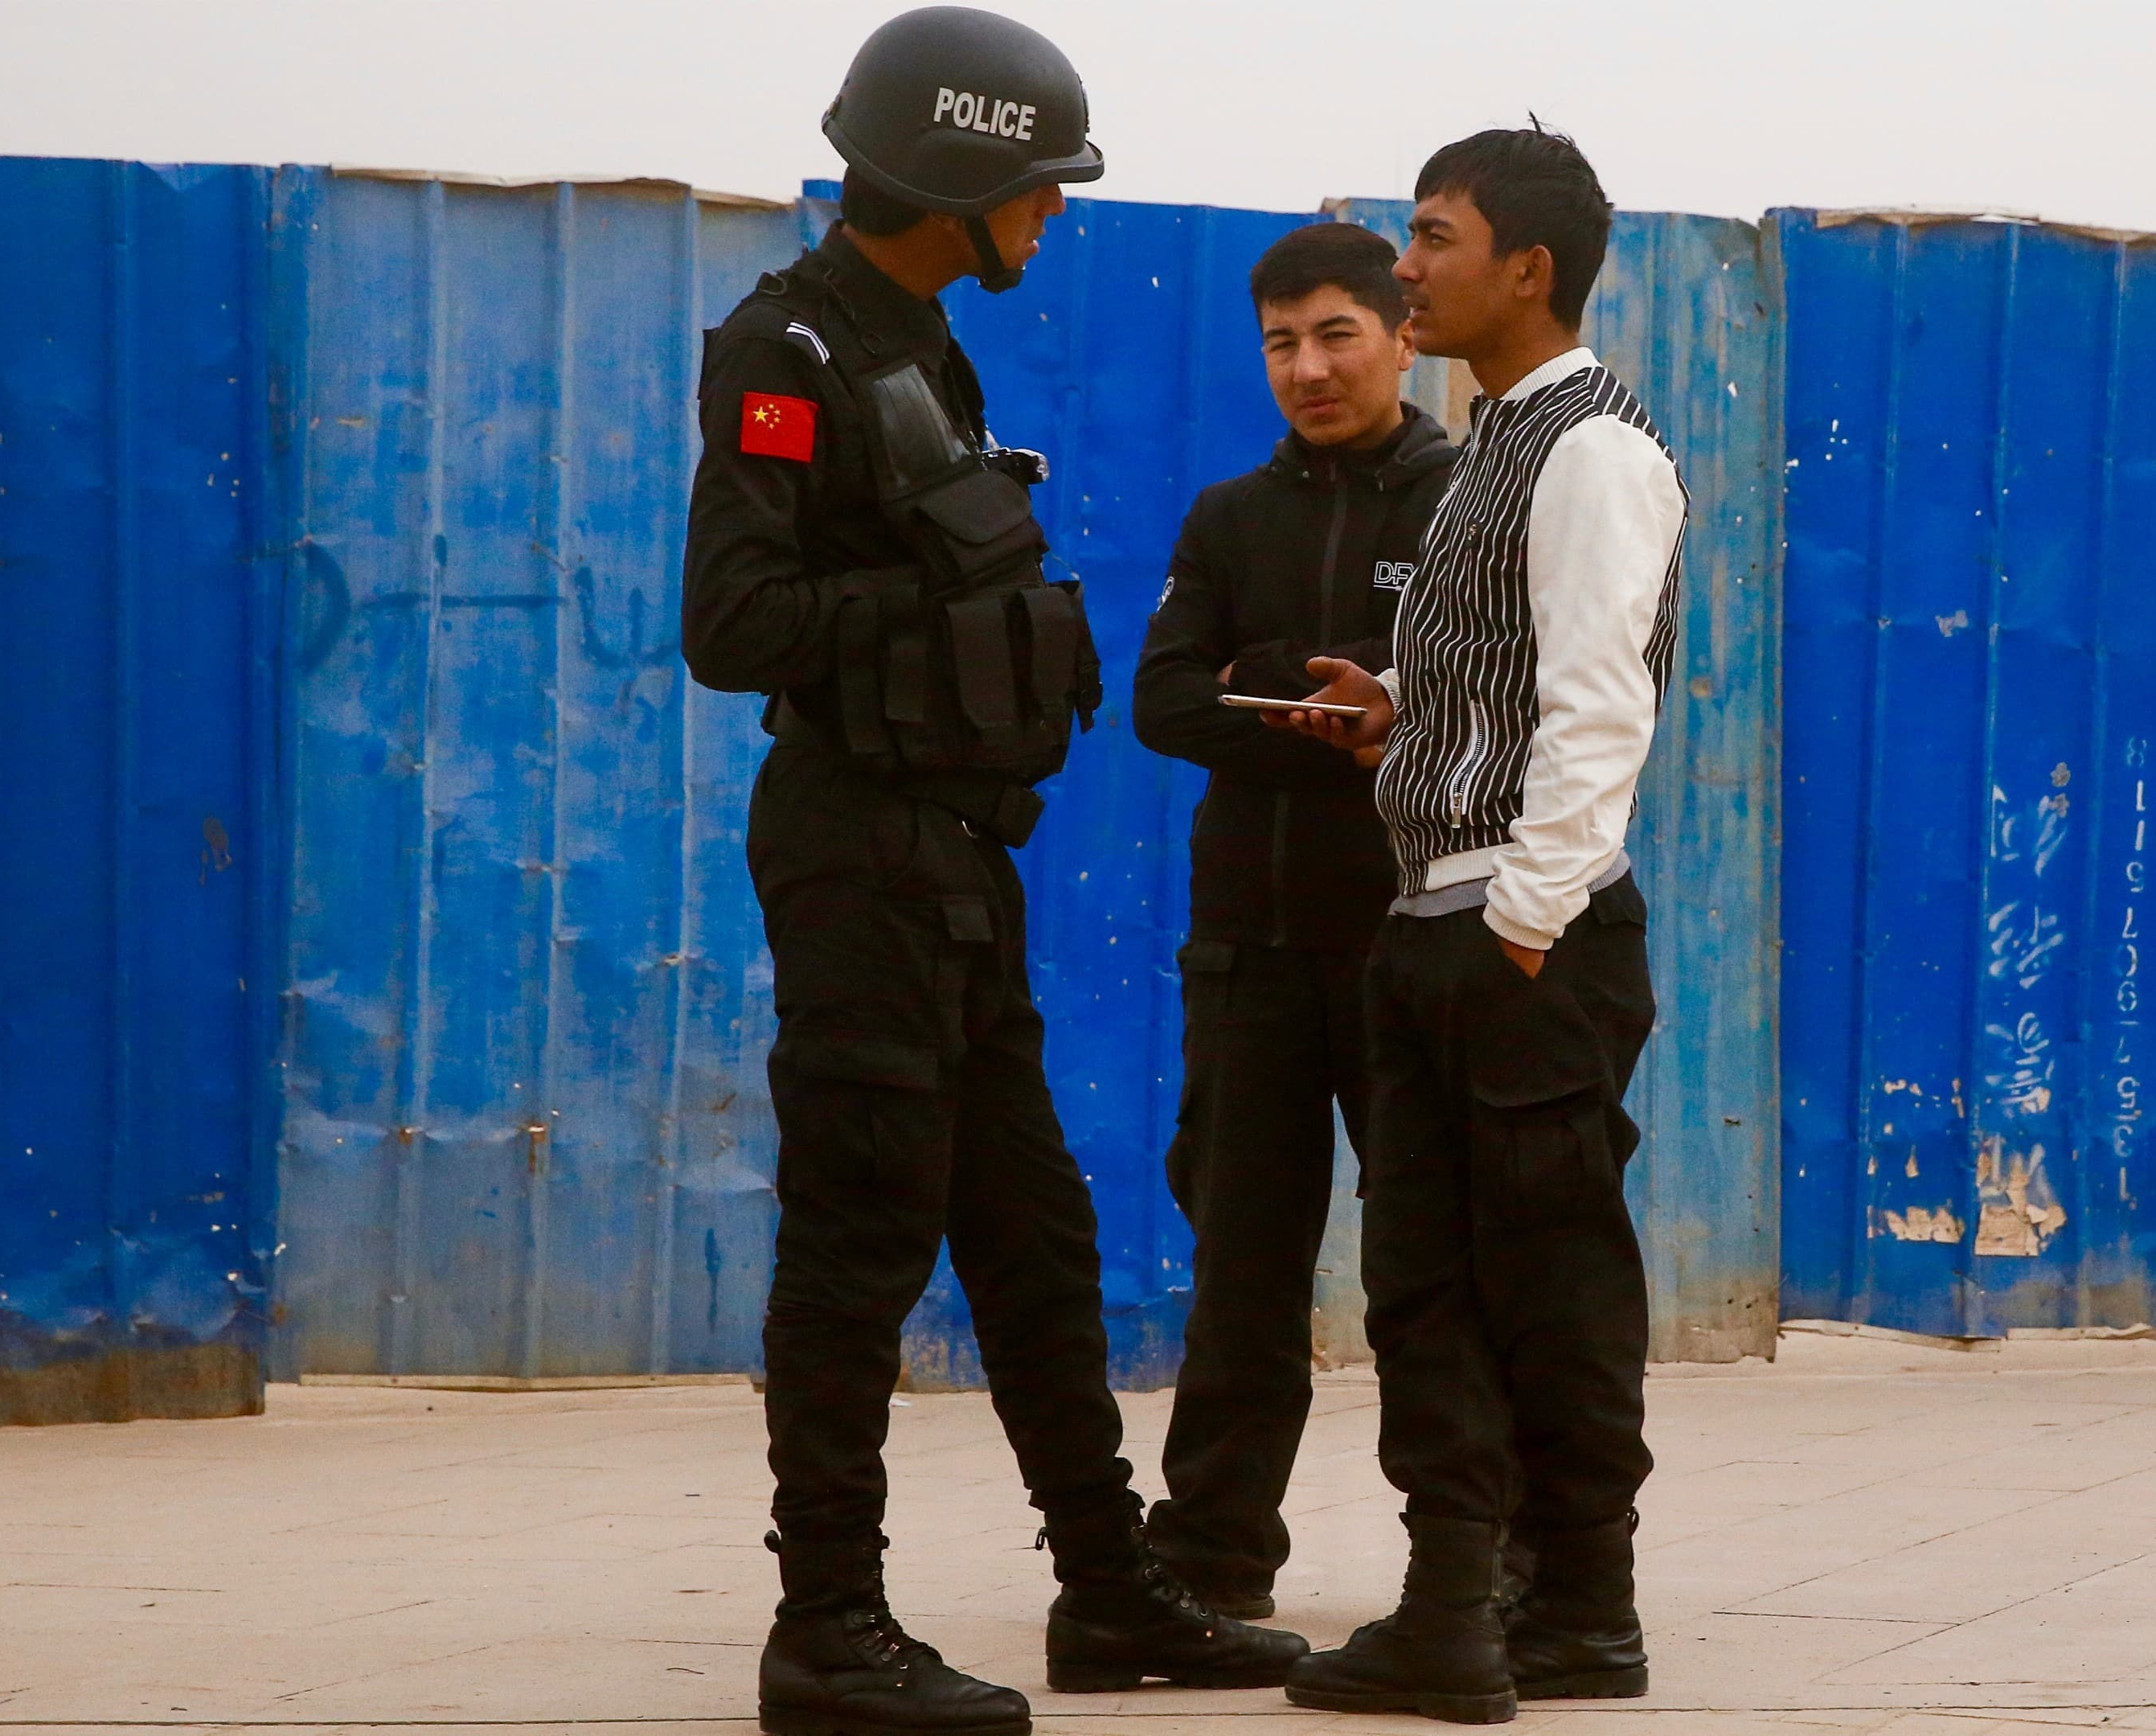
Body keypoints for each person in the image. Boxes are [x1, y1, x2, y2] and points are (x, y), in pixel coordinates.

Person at [678, 10, 1307, 1732]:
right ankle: (827, 1628)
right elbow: (732, 626)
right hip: (854, 849)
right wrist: (945, 592)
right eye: (1033, 188)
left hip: (956, 859)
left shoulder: (923, 348)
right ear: (954, 179)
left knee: (1033, 1236)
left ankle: (1110, 1597)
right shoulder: (787, 348)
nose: (1051, 219)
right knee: (859, 1234)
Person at [1270, 127, 1687, 1724]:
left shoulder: (1592, 449)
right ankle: (1460, 1603)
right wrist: (1402, 712)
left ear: (1527, 266)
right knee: (1427, 1286)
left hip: (1526, 937)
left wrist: (1519, 926)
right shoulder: (1493, 442)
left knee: (1552, 1279)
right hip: (1437, 916)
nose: (1404, 266)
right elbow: (1513, 686)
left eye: (1433, 238)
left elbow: (1602, 711)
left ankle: (1583, 1603)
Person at [1130, 223, 1457, 1620]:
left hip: (1410, 947)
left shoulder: (1467, 503)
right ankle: (1210, 1562)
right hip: (1249, 956)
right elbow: (1160, 701)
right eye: (1281, 342)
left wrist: (1256, 695)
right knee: (1242, 1275)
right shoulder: (1228, 518)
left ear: (1399, 333)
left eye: (1336, 334)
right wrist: (1322, 713)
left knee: (1432, 1277)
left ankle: (1463, 1563)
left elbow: (1477, 707)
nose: (1308, 368)